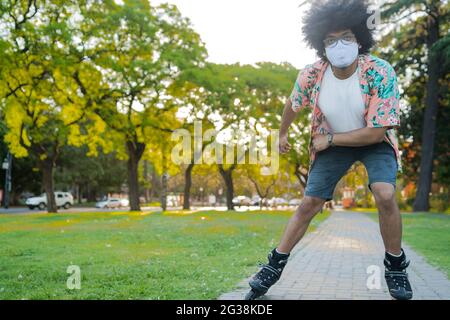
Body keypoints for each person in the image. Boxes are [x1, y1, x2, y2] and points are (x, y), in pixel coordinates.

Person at [245, 0, 412, 300]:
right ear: (321, 45)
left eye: (346, 37)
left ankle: (396, 266)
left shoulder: (379, 71)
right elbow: (291, 105)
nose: (339, 45)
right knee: (309, 203)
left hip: (372, 142)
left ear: (360, 37)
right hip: (331, 140)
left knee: (385, 193)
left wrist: (331, 141)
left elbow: (376, 131)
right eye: (330, 40)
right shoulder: (312, 74)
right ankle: (273, 266)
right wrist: (282, 134)